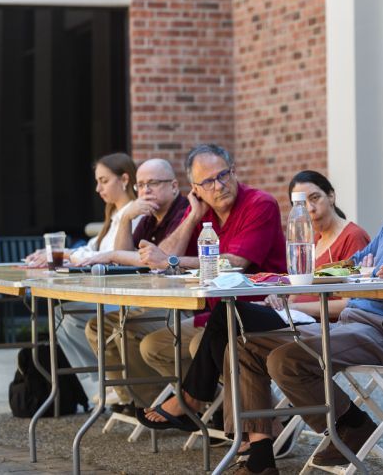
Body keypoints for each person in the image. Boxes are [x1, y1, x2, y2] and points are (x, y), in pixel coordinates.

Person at [221, 126, 383, 475]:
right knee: (243, 346)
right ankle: (260, 456)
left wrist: (366, 272)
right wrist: (364, 271)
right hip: (350, 322)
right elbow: (351, 267)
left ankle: (351, 426)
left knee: (287, 359)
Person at [137, 170, 369, 436]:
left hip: (323, 325)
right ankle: (250, 429)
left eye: (315, 198)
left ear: (331, 195)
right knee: (227, 325)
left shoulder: (352, 237)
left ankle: (196, 403)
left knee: (227, 315)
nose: (310, 209)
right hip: (293, 317)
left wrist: (293, 308)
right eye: (300, 205)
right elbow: (298, 290)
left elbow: (352, 304)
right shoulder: (311, 239)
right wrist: (279, 297)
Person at [135, 144, 286, 392]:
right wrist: (193, 217)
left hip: (260, 310)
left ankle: (248, 414)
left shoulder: (260, 204)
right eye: (207, 182)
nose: (218, 186)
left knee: (199, 345)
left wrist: (171, 262)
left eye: (222, 175)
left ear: (233, 171)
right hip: (217, 313)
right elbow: (163, 257)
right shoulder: (201, 212)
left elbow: (235, 263)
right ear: (195, 189)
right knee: (153, 346)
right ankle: (213, 408)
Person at [24, 153, 141, 399]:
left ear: (124, 179)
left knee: (67, 315)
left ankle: (106, 383)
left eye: (104, 180)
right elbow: (91, 250)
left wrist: (67, 254)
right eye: (97, 181)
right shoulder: (115, 214)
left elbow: (112, 255)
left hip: (123, 296)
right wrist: (60, 254)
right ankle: (98, 384)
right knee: (60, 314)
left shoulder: (135, 214)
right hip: (105, 292)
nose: (98, 188)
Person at [80, 158, 188, 410]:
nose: (146, 191)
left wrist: (114, 255)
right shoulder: (149, 216)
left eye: (153, 183)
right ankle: (130, 397)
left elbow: (157, 259)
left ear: (173, 186)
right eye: (141, 185)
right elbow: (125, 258)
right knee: (97, 326)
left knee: (127, 325)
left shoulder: (184, 212)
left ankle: (155, 403)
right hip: (154, 299)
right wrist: (127, 217)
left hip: (181, 304)